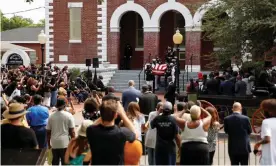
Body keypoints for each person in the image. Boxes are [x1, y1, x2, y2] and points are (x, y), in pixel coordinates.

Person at [86, 99, 136, 165]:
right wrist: (122, 114)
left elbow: (92, 125)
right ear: (116, 115)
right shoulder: (122, 132)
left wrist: (104, 112)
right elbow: (134, 132)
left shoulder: (91, 130)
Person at [46, 98, 76, 165]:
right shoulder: (68, 115)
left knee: (55, 162)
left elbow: (48, 132)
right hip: (65, 143)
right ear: (64, 105)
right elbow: (72, 132)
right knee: (65, 162)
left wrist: (48, 144)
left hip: (54, 143)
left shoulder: (51, 116)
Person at [254, 99, 276, 165]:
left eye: (264, 110)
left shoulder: (266, 122)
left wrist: (257, 144)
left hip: (270, 160)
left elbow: (267, 140)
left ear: (270, 112)